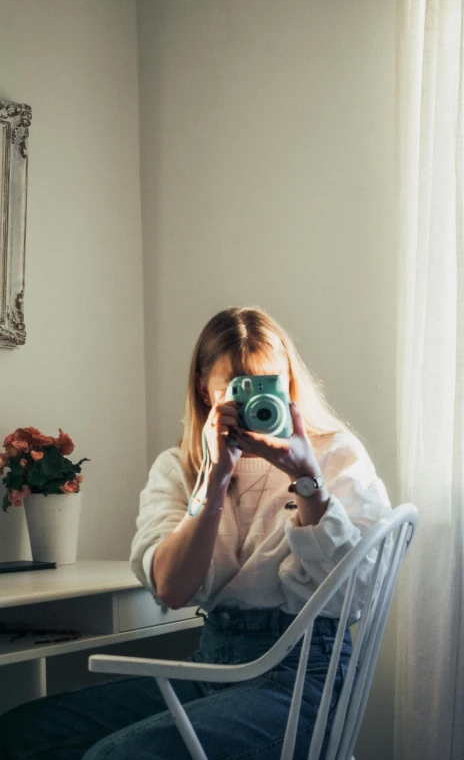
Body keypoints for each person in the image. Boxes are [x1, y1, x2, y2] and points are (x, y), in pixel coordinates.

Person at [0, 306, 391, 760]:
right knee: (19, 734)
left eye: (269, 387)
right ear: (205, 389)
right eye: (238, 392)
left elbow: (357, 596)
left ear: (290, 383)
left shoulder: (334, 455)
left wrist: (307, 479)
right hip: (213, 665)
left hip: (306, 675)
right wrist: (212, 480)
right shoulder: (179, 468)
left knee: (118, 755)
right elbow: (172, 589)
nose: (256, 407)